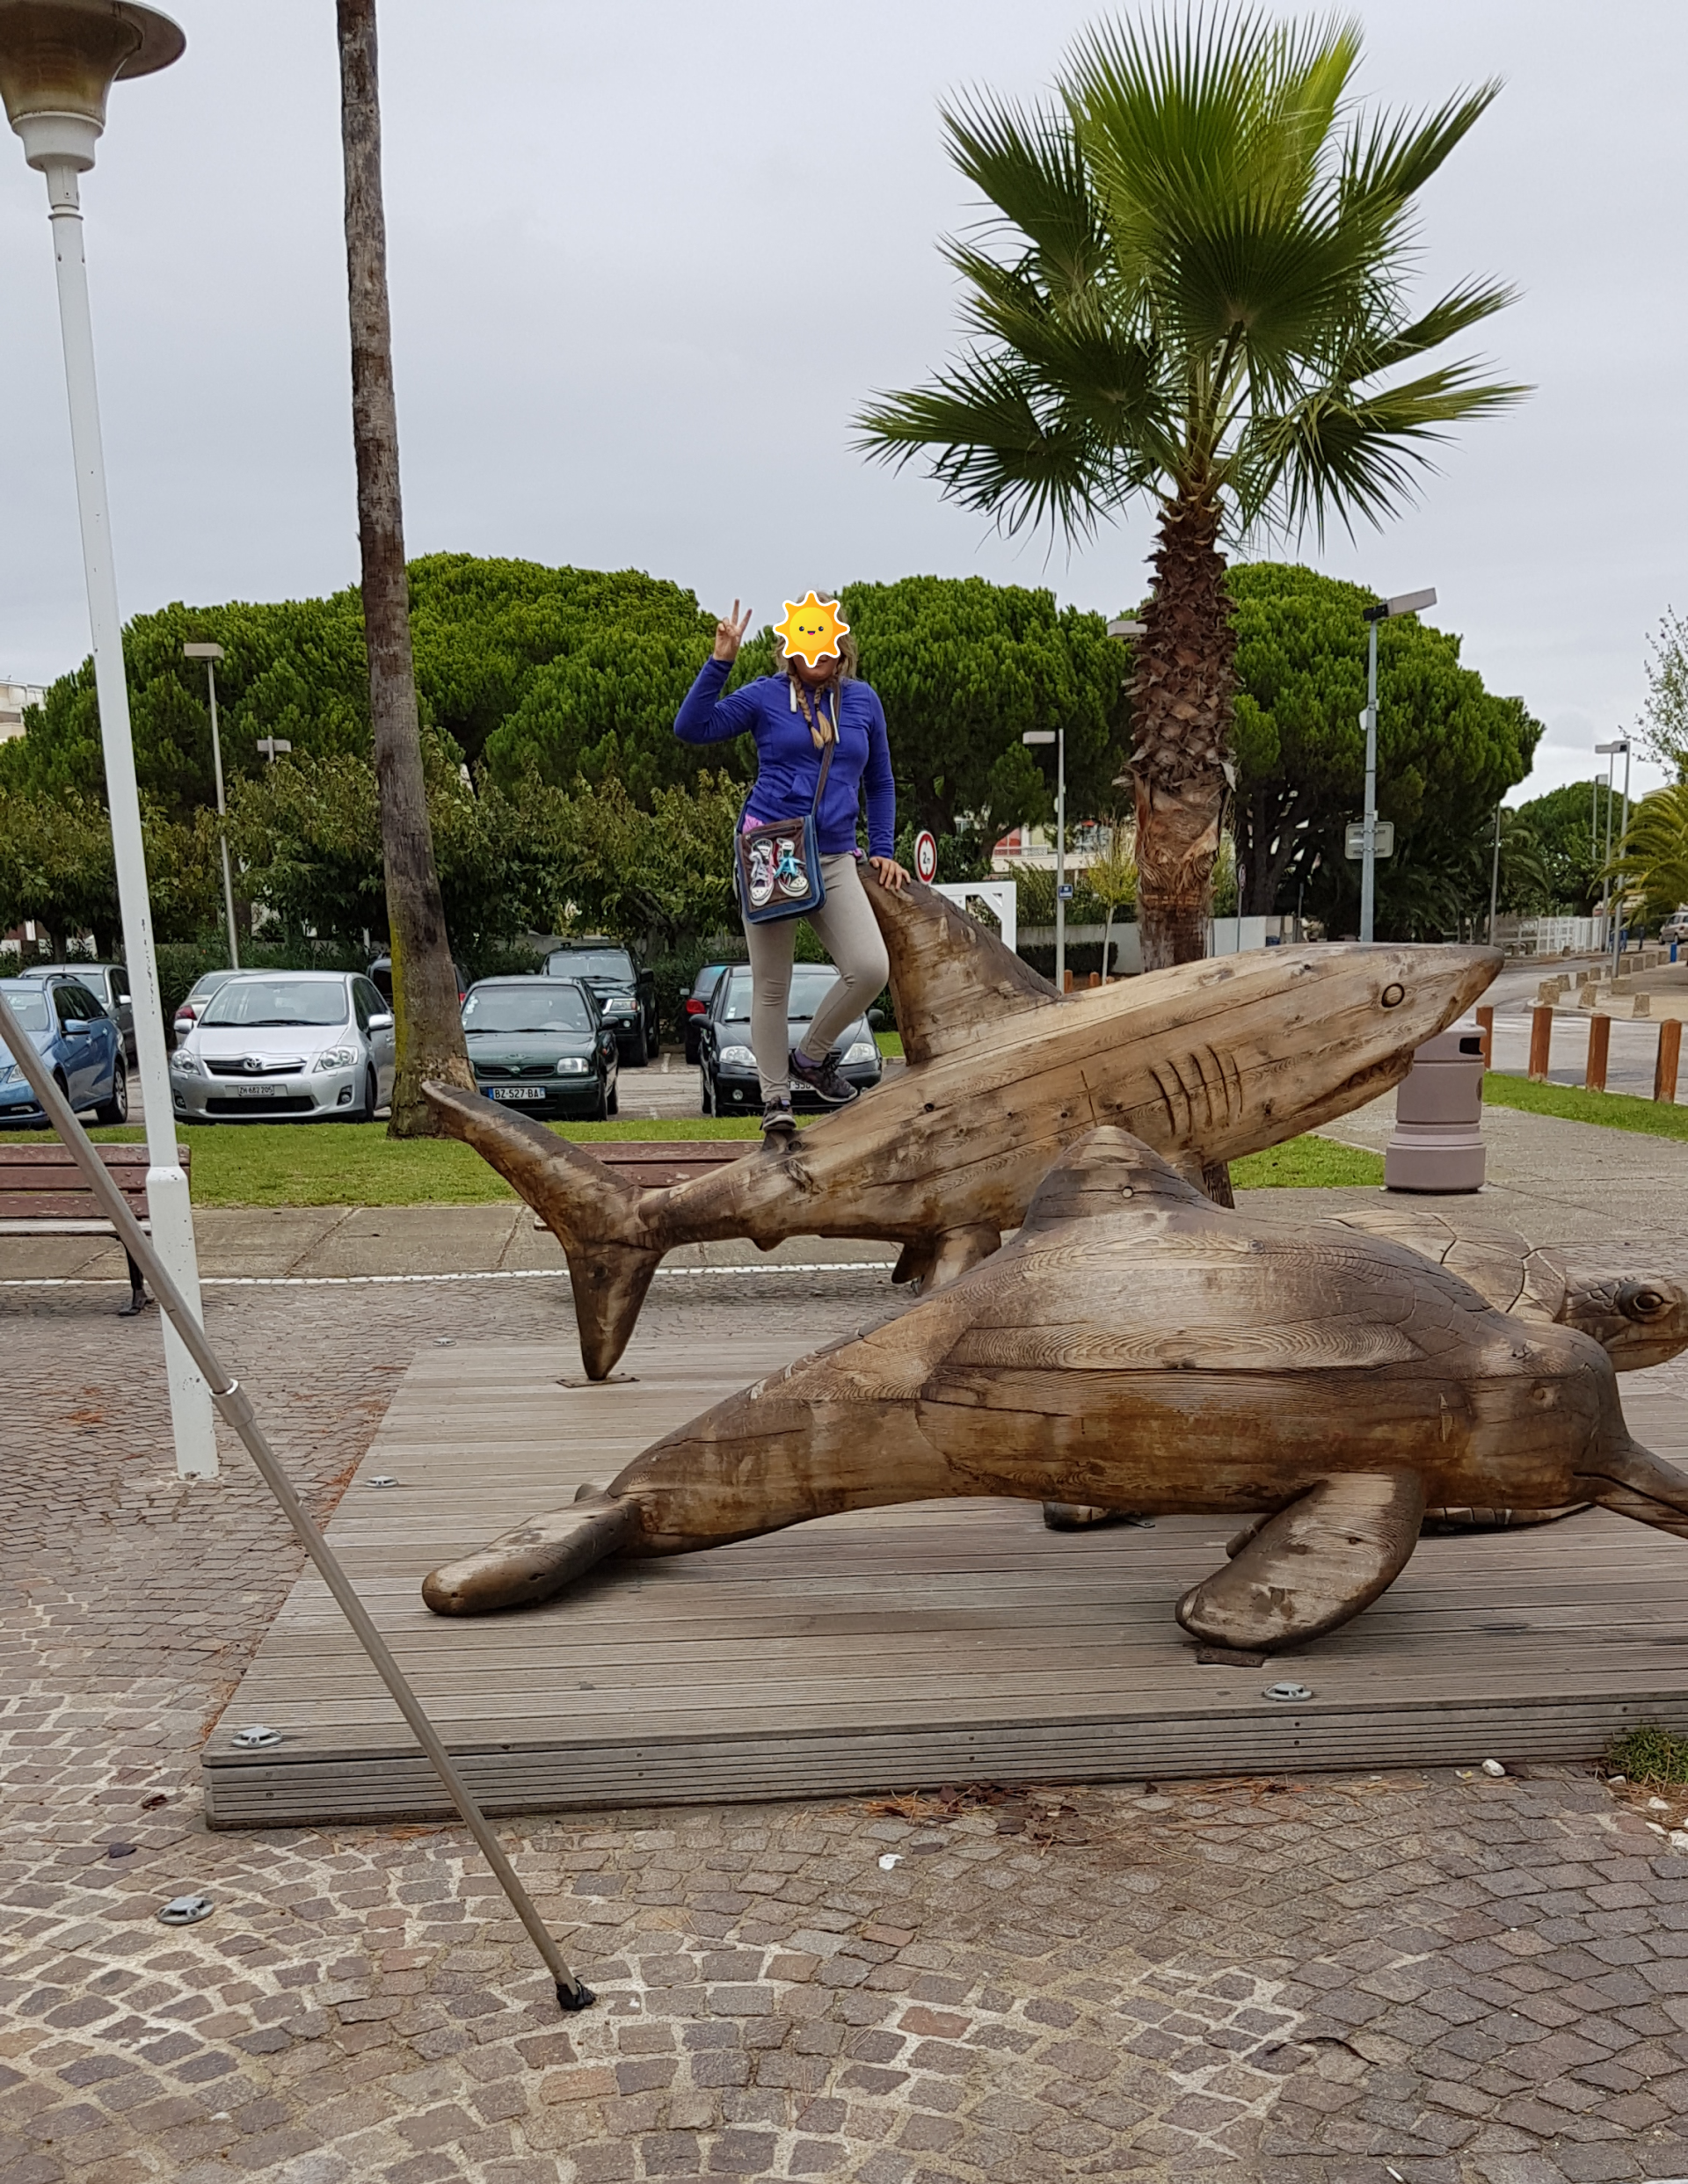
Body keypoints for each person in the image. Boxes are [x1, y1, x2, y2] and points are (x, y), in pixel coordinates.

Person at [674, 596, 908, 1138]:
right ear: (789, 648)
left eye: (825, 643)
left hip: (834, 854)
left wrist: (882, 847)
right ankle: (775, 1100)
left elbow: (880, 782)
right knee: (771, 985)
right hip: (772, 849)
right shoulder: (765, 695)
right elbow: (692, 727)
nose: (816, 654)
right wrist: (720, 661)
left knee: (869, 967)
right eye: (805, 643)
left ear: (840, 645)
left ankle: (812, 1057)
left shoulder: (863, 700)